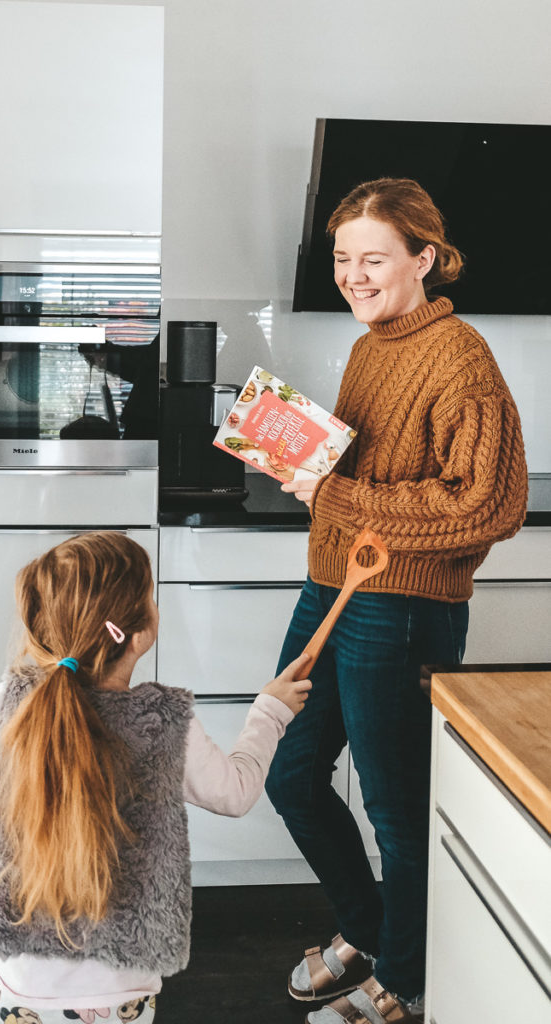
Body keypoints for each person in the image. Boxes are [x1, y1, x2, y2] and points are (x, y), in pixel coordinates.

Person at [265, 177, 528, 1024]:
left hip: (402, 602)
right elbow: (360, 471)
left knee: (395, 808)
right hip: (332, 585)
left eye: (373, 258)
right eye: (343, 259)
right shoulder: (373, 342)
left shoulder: (461, 359)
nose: (354, 274)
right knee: (292, 774)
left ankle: (406, 983)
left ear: (423, 258)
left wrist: (333, 495)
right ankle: (374, 930)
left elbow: (486, 506)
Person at [0, 530, 312, 1024]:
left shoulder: (6, 704)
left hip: (20, 974)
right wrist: (269, 712)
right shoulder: (161, 721)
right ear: (135, 632)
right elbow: (236, 793)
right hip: (120, 986)